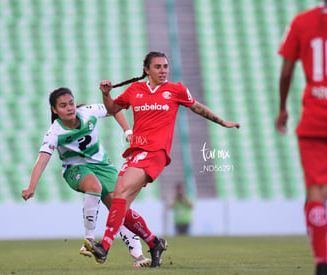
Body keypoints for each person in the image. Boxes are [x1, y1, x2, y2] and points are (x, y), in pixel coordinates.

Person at [84, 51, 240, 267]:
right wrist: (105, 94)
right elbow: (113, 109)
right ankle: (154, 243)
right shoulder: (135, 90)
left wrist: (222, 122)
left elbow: (197, 107)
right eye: (157, 67)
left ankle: (105, 246)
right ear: (147, 70)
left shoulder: (176, 90)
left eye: (165, 66)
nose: (163, 70)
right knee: (121, 209)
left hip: (155, 153)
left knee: (119, 192)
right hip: (135, 151)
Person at [21, 87, 151, 268]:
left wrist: (128, 131)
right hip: (75, 169)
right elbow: (42, 160)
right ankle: (89, 240)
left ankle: (138, 255)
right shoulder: (55, 133)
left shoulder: (88, 112)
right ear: (54, 110)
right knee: (94, 186)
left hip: (103, 165)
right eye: (63, 105)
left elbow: (114, 108)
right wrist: (31, 186)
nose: (69, 108)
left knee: (118, 208)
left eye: (71, 103)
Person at [276, 1, 327, 274]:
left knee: (316, 191)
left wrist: (282, 108)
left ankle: (321, 261)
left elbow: (287, 71)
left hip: (316, 121)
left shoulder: (302, 22)